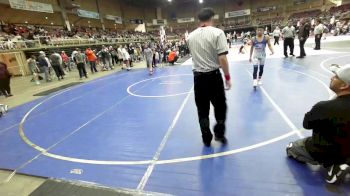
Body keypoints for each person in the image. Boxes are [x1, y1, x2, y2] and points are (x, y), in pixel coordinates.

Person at [286, 64, 350, 184]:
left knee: (292, 147)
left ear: (344, 85)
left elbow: (307, 124)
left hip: (324, 150)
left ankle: (333, 164)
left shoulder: (324, 107)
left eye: (336, 77)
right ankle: (344, 162)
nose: (332, 78)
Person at [187, 8, 231, 146]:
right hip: (214, 77)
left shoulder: (190, 37)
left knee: (202, 109)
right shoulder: (218, 33)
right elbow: (222, 58)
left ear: (199, 20)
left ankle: (206, 137)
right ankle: (219, 132)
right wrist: (228, 77)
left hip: (198, 78)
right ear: (212, 18)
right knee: (220, 106)